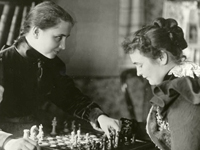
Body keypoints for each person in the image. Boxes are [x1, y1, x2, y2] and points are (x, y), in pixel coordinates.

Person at [0, 1, 120, 150]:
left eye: (66, 38)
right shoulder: (2, 62)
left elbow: (70, 97)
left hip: (33, 138)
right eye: (58, 37)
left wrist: (99, 117)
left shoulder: (51, 64)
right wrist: (7, 142)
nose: (63, 46)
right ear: (36, 32)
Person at [122, 17, 200, 150]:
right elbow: (166, 130)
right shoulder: (175, 81)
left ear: (161, 57)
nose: (138, 73)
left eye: (140, 65)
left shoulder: (185, 92)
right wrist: (124, 127)